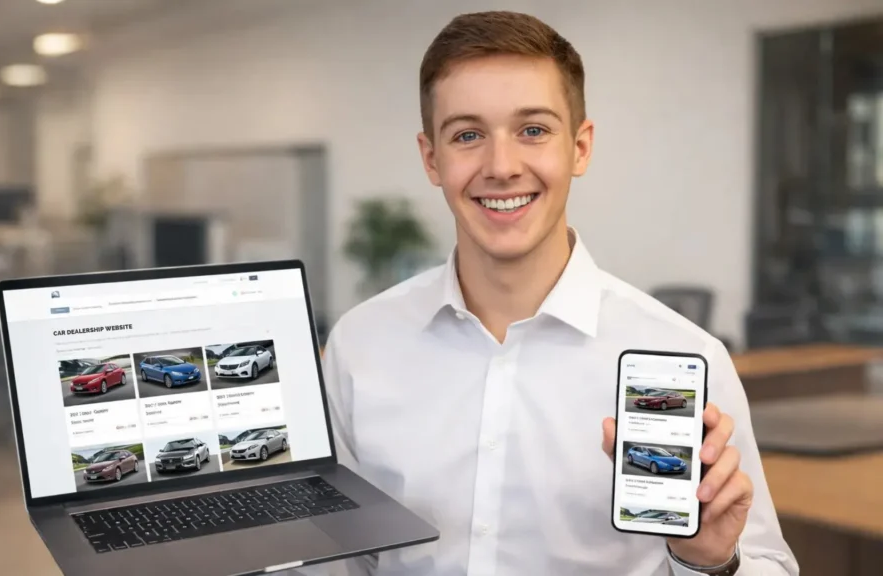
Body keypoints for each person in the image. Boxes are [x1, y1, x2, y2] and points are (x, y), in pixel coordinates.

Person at [311, 10, 799, 576]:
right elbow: (336, 561)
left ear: (580, 147)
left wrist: (710, 562)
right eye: (468, 135)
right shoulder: (359, 347)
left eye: (533, 131)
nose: (501, 166)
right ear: (431, 159)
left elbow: (769, 565)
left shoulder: (687, 355)